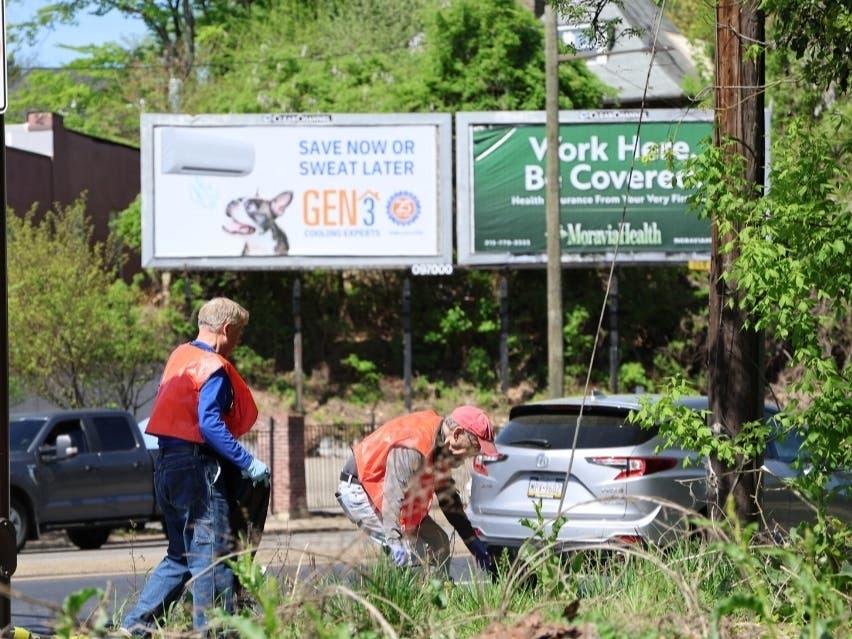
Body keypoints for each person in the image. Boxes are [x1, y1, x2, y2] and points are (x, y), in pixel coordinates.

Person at [121, 297, 270, 637]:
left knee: (179, 558)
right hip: (198, 471)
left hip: (167, 466)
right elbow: (209, 424)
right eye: (240, 334)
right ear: (227, 329)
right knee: (212, 559)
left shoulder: (179, 357)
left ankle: (132, 630)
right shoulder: (213, 367)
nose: (239, 342)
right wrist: (247, 461)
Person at [336, 405, 497, 575]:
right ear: (456, 434)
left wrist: (472, 542)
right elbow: (392, 494)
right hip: (361, 489)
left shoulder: (441, 448)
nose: (468, 458)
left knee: (440, 542)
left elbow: (448, 502)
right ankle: (412, 597)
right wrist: (394, 540)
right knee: (415, 554)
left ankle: (441, 593)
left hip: (390, 495)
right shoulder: (415, 444)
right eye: (471, 450)